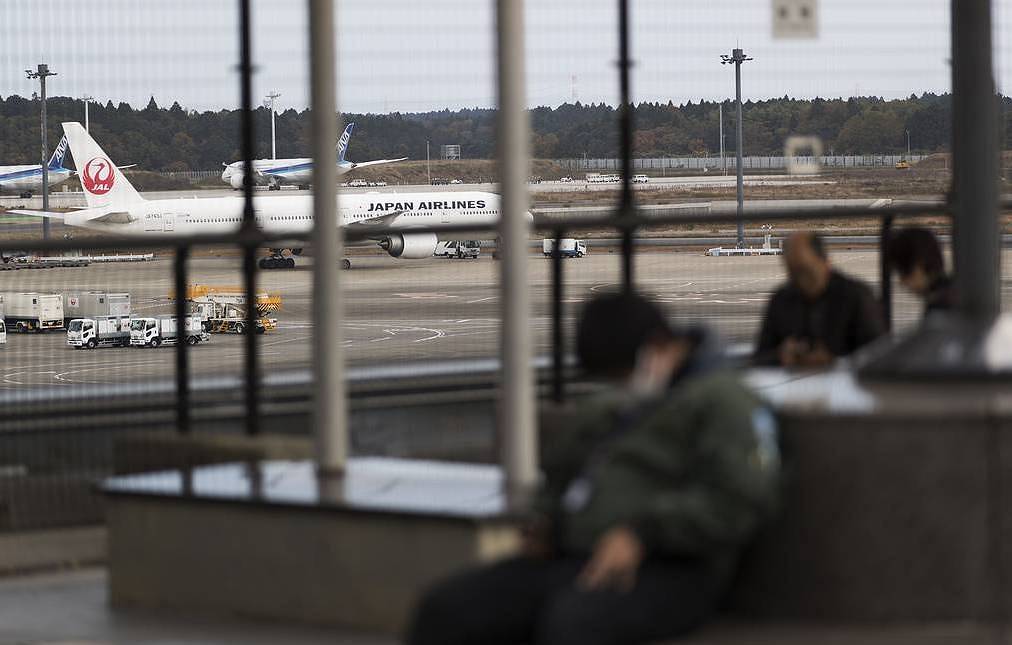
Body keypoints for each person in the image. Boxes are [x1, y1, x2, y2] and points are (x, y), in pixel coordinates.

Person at [408, 293, 781, 645]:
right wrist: (544, 518)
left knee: (574, 623)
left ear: (657, 346)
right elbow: (561, 472)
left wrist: (642, 533)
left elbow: (737, 496)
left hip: (670, 565)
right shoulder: (613, 406)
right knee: (447, 609)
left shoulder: (726, 401)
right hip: (576, 553)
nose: (619, 388)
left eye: (621, 375)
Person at [754, 232, 884, 367]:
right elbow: (760, 356)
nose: (799, 278)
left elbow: (879, 353)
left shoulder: (855, 296)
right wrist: (780, 355)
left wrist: (835, 360)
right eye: (792, 270)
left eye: (804, 270)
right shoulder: (781, 300)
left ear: (825, 262)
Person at [887, 227, 955, 315]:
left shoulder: (939, 309)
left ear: (919, 265)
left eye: (904, 272)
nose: (902, 282)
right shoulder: (952, 293)